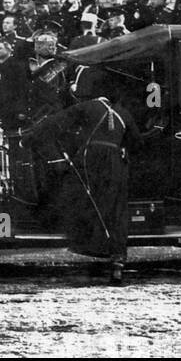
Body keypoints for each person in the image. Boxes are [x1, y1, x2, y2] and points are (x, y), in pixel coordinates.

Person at [20, 72, 134, 285]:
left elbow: (53, 123)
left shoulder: (87, 107)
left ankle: (85, 243)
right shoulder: (123, 113)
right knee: (116, 209)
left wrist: (27, 139)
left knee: (80, 197)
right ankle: (118, 261)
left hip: (90, 159)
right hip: (115, 163)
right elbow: (136, 142)